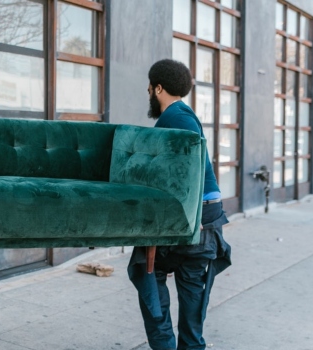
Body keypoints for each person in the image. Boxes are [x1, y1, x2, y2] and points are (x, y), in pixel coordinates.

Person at [128, 59, 231, 350]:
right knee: (190, 295)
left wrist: (189, 214)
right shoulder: (185, 115)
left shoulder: (175, 118)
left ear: (158, 88)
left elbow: (190, 169)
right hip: (207, 218)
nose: (148, 92)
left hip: (193, 218)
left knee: (146, 272)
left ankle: (166, 345)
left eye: (150, 87)